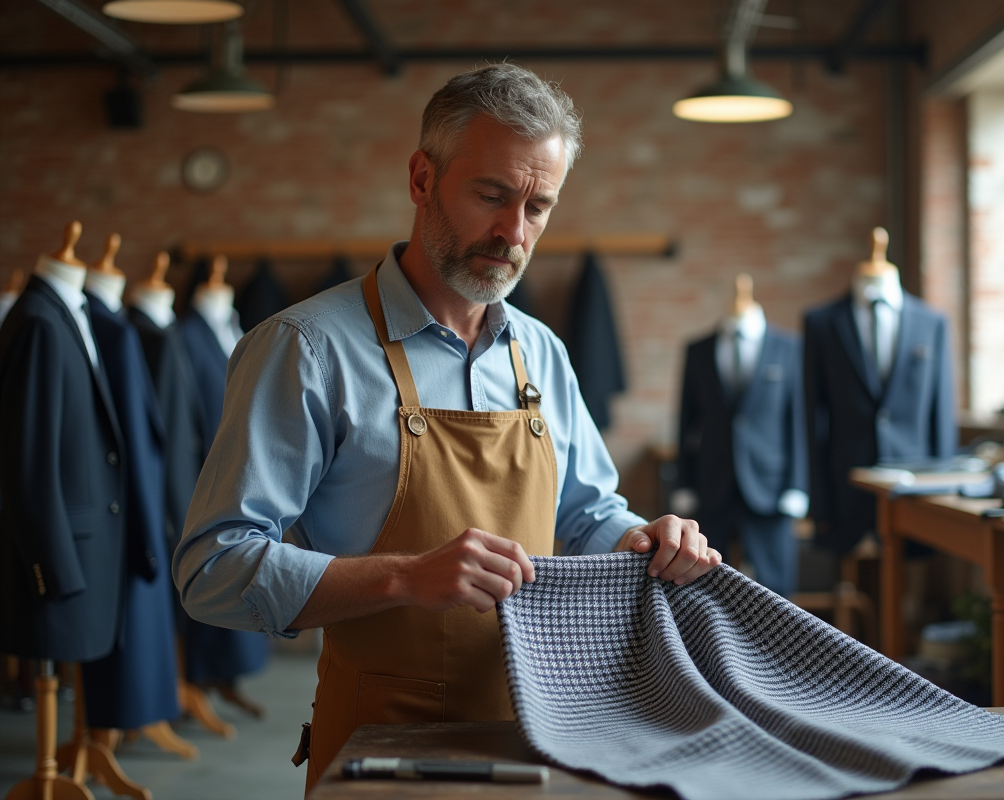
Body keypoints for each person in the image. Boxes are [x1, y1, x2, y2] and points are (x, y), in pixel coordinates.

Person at [172, 62, 723, 790]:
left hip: (543, 735)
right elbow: (212, 571)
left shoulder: (542, 353)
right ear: (421, 179)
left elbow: (585, 513)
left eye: (538, 207)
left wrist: (640, 539)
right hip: (381, 746)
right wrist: (404, 577)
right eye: (492, 195)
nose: (512, 232)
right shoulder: (306, 349)